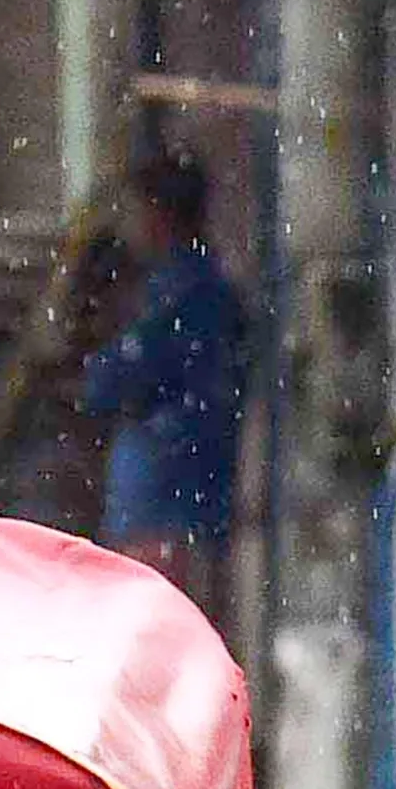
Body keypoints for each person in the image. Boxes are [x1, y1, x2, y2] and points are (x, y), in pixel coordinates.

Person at [79, 150, 254, 622]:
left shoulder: (183, 295)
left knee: (160, 640)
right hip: (178, 505)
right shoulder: (197, 289)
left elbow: (111, 380)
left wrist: (104, 361)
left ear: (160, 214)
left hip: (167, 507)